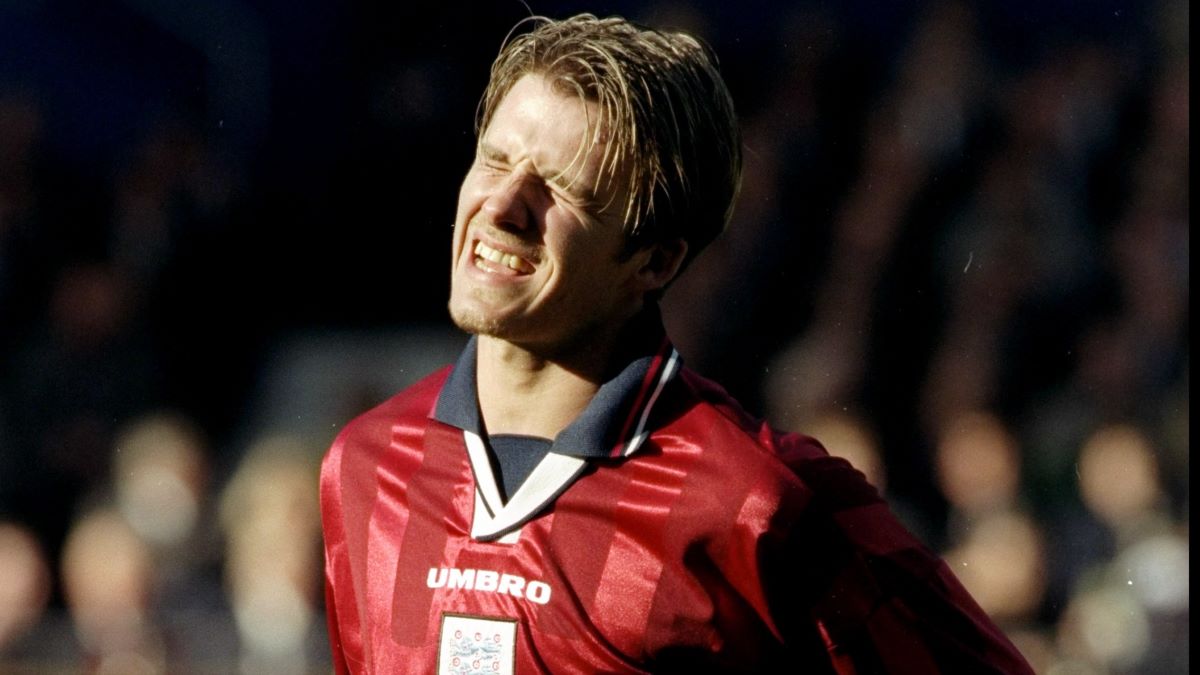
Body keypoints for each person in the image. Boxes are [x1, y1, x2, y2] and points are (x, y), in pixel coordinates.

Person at [320, 13, 1033, 674]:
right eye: (495, 160)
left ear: (655, 262)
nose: (502, 208)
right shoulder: (364, 467)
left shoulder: (761, 500)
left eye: (564, 191)